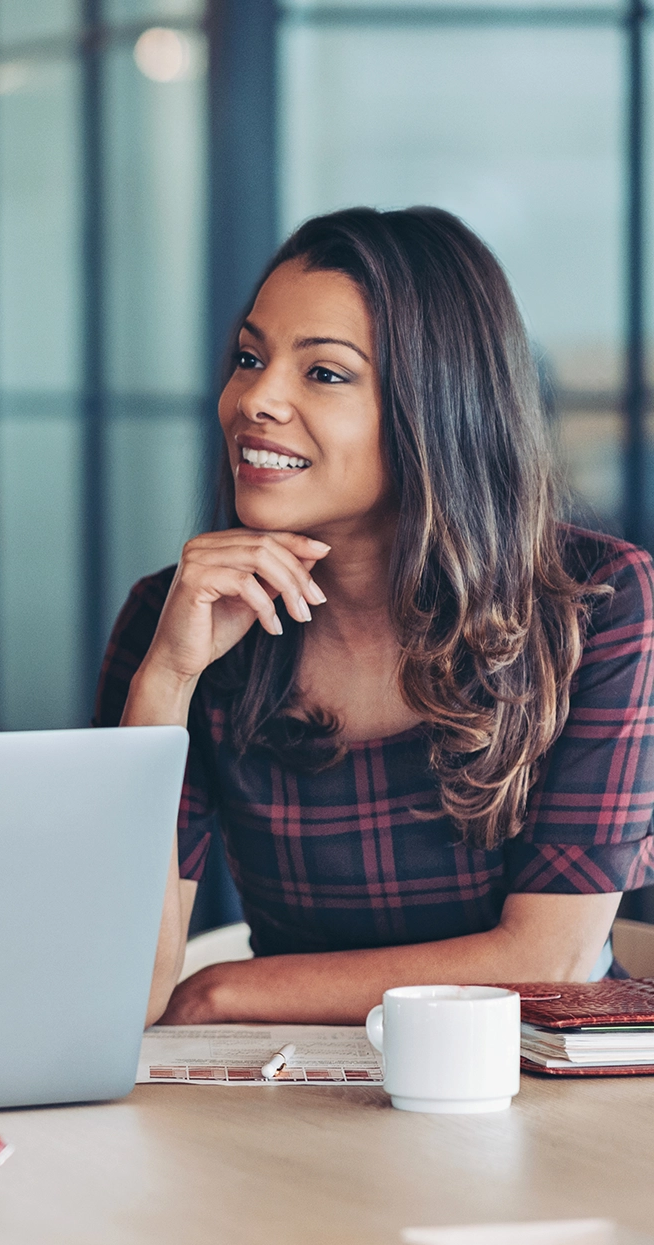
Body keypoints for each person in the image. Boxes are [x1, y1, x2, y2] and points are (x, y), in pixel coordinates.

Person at [100, 206, 654, 1026]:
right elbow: (120, 988)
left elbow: (552, 960)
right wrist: (166, 682)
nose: (255, 399)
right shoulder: (179, 616)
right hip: (285, 1073)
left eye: (324, 373)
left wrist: (224, 990)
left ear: (439, 405)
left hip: (525, 1072)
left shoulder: (599, 603)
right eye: (249, 358)